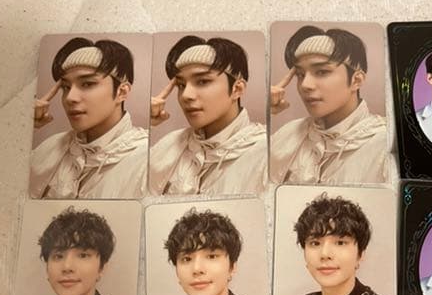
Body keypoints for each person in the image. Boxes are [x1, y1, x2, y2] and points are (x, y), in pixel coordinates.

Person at [30, 37, 148, 199]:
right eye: (66, 87)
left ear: (122, 92)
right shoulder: (51, 147)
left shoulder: (146, 159)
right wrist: (23, 128)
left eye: (87, 84)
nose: (70, 98)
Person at [149, 36, 266, 195]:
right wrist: (148, 124)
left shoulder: (265, 153)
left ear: (237, 89)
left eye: (202, 81)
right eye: (181, 85)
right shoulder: (169, 144)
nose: (186, 95)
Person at [270, 26, 387, 185]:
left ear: (356, 80)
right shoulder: (287, 134)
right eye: (300, 74)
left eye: (322, 72)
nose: (305, 85)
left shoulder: (384, 146)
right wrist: (268, 111)